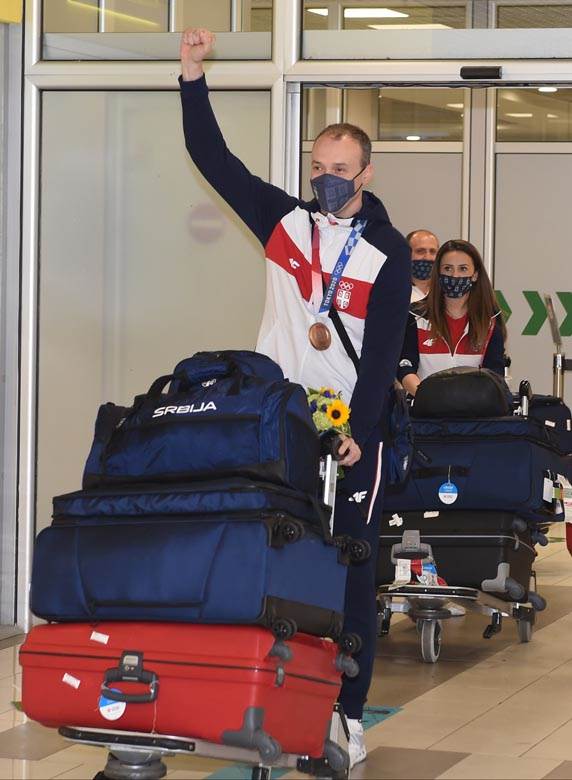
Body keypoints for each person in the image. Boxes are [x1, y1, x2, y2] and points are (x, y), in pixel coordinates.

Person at [179, 27, 411, 768]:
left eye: (340, 169)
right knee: (277, 554)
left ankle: (349, 713)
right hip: (280, 421)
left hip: (353, 431)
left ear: (366, 171)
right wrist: (192, 76)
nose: (327, 179)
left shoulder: (387, 252)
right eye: (318, 167)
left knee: (351, 566)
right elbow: (214, 160)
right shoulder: (284, 224)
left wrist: (360, 434)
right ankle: (279, 695)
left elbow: (381, 356)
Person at [397, 239, 506, 397]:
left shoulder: (490, 320)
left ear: (475, 275)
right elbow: (405, 366)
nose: (455, 275)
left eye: (463, 269)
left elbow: (495, 374)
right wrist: (426, 397)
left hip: (474, 408)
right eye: (447, 269)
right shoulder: (415, 315)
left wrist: (468, 402)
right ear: (438, 273)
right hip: (424, 407)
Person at [407, 228, 439, 302]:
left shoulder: (445, 290)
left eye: (432, 251)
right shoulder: (393, 289)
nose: (428, 258)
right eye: (420, 251)